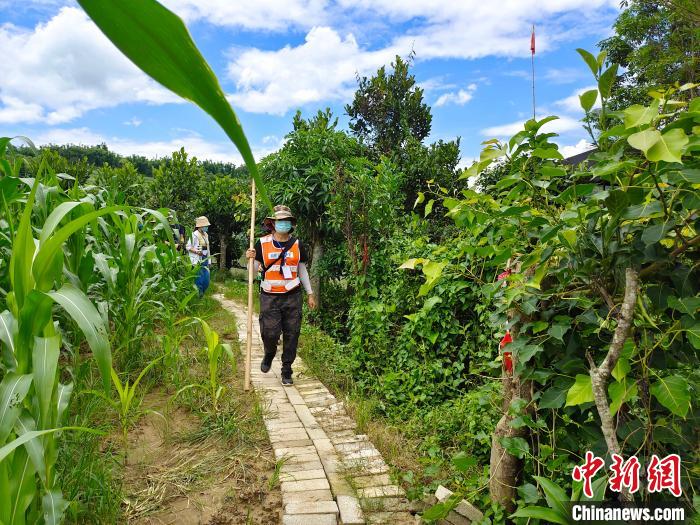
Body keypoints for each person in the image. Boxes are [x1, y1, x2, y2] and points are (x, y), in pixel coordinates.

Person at [246, 205, 317, 385]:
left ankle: (287, 370)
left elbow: (302, 271)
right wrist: (251, 260)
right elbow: (253, 273)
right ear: (273, 223)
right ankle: (269, 353)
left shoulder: (298, 245)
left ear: (291, 224)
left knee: (292, 334)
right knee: (269, 333)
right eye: (280, 221)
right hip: (269, 296)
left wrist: (310, 293)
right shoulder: (261, 244)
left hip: (293, 296)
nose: (283, 224)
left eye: (286, 221)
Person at [187, 216, 211, 296]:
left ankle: (202, 294)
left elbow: (207, 248)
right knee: (199, 279)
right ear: (200, 226)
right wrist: (197, 252)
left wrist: (209, 260)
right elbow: (188, 247)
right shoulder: (194, 235)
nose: (206, 227)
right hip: (198, 259)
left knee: (206, 279)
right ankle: (199, 296)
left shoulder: (206, 235)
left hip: (205, 258)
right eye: (205, 226)